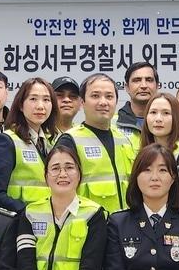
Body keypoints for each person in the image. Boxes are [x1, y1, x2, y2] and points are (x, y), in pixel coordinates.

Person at [57, 73, 137, 213]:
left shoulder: (125, 140)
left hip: (124, 222)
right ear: (82, 102)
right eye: (95, 96)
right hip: (88, 223)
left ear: (116, 102)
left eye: (109, 96)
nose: (103, 102)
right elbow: (60, 191)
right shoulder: (70, 140)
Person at [0, 76, 56, 212]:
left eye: (46, 100)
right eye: (33, 99)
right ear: (20, 105)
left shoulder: (51, 142)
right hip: (19, 219)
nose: (40, 106)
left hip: (48, 218)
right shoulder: (7, 140)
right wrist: (27, 211)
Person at [139, 91, 179, 192]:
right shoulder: (142, 150)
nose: (158, 119)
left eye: (166, 113)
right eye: (153, 112)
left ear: (176, 118)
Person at [117, 61, 159, 134]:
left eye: (149, 80)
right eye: (137, 80)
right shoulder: (112, 123)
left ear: (157, 86)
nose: (143, 86)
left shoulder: (171, 121)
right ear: (127, 87)